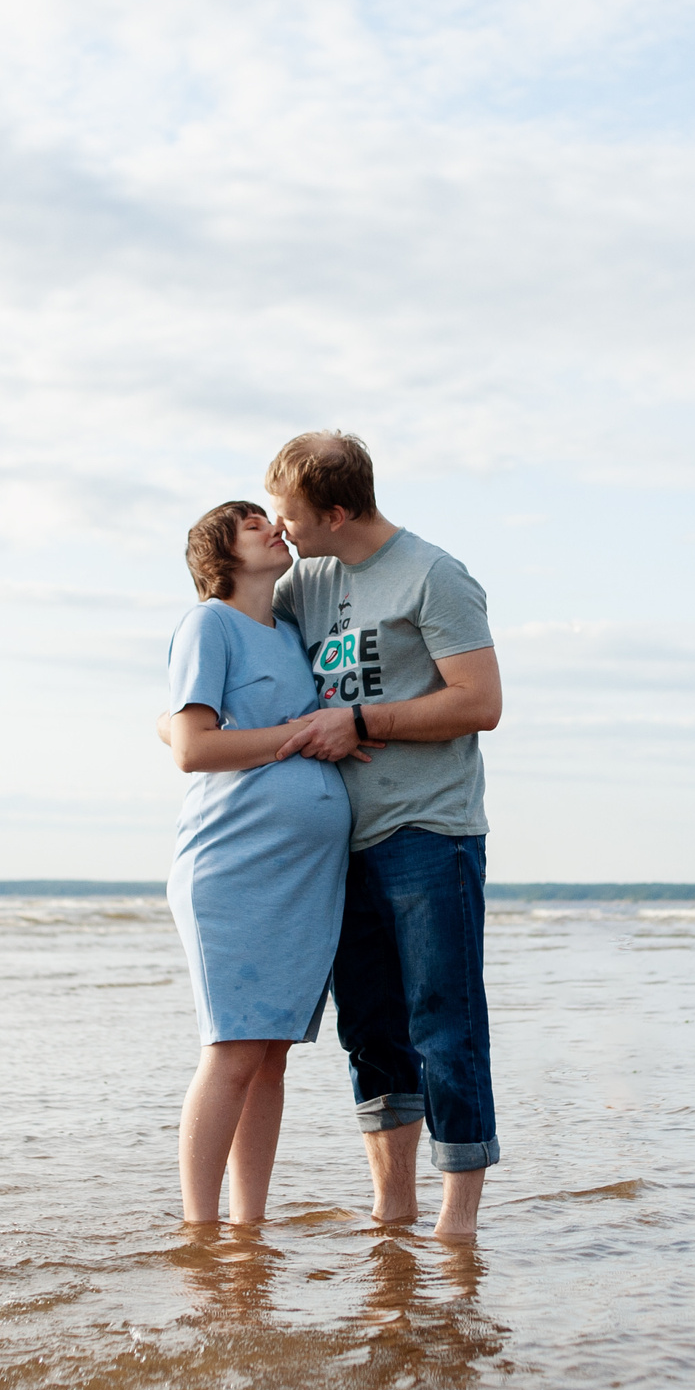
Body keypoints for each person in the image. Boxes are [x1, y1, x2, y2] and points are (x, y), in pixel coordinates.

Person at [265, 431, 503, 1242]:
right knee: (369, 1030)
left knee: (445, 1022)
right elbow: (233, 626)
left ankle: (456, 1224)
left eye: (289, 515)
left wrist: (361, 718)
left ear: (336, 511)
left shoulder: (435, 576)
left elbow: (479, 701)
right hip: (340, 844)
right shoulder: (305, 582)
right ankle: (392, 1208)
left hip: (429, 830)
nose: (279, 527)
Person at [162, 500, 356, 1225]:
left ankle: (249, 1226)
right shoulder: (209, 623)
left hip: (301, 880)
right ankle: (200, 1229)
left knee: (271, 1053)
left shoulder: (291, 631)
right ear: (221, 554)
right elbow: (191, 746)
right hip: (235, 866)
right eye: (253, 523)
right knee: (233, 1046)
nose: (274, 526)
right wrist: (298, 732)